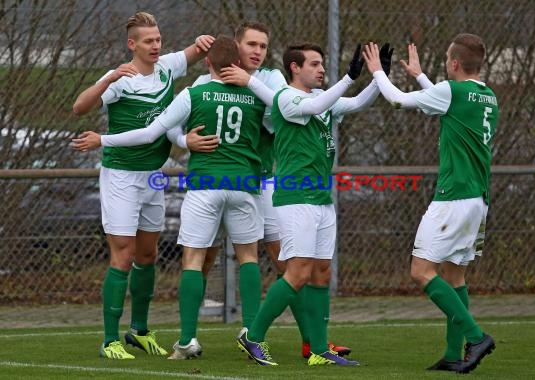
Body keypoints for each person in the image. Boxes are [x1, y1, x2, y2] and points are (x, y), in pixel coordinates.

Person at [73, 35, 270, 360]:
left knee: (193, 260)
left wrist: (103, 139)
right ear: (239, 63)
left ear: (208, 64)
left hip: (205, 184)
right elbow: (284, 111)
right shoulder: (257, 94)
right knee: (248, 257)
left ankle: (188, 339)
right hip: (245, 184)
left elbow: (152, 132)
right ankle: (251, 334)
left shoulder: (193, 93)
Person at [193, 21, 351, 359]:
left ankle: (311, 342)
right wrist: (186, 138)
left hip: (263, 184)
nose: (257, 51)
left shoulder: (272, 80)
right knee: (201, 257)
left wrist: (251, 86)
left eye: (263, 46)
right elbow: (177, 126)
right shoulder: (204, 83)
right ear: (235, 47)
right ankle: (187, 338)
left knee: (288, 265)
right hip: (219, 181)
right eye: (251, 44)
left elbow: (283, 109)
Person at [71, 11, 214, 359]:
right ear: (131, 44)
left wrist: (206, 42)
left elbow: (195, 53)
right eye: (148, 41)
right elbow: (79, 107)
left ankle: (139, 331)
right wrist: (107, 80)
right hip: (121, 176)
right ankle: (109, 340)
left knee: (147, 255)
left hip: (154, 175)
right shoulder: (120, 77)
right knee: (123, 253)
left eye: (158, 39)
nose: (155, 45)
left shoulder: (166, 67)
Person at [236, 42, 381, 366]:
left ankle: (318, 349)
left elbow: (357, 102)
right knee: (298, 272)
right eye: (314, 64)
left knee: (320, 274)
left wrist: (377, 76)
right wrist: (347, 77)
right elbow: (316, 108)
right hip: (295, 197)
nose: (320, 69)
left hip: (320, 197)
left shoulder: (322, 99)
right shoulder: (286, 99)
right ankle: (253, 336)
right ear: (294, 68)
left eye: (321, 64)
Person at [362, 34, 498, 374]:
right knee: (455, 275)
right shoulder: (488, 96)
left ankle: (476, 336)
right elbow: (438, 101)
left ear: (453, 64)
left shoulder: (452, 92)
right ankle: (454, 355)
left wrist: (378, 71)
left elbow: (397, 101)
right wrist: (420, 77)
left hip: (453, 198)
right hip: (478, 199)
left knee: (421, 272)